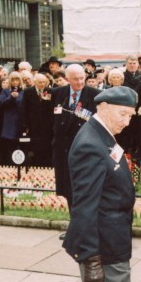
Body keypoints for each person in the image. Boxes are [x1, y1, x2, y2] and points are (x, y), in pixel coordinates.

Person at [63, 86, 138, 282]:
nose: (127, 122)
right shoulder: (91, 143)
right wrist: (91, 258)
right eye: (123, 114)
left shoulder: (101, 134)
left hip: (112, 237)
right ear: (103, 107)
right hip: (104, 246)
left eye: (130, 116)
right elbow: (84, 204)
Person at [51, 64, 101, 214]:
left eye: (82, 78)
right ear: (67, 79)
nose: (79, 82)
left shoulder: (95, 95)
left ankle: (84, 226)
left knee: (85, 189)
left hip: (84, 148)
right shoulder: (58, 93)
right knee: (68, 189)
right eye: (75, 79)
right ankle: (74, 226)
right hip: (63, 149)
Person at [20, 73, 54, 167]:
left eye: (44, 82)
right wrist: (25, 125)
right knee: (35, 146)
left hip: (47, 125)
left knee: (47, 146)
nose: (42, 84)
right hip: (33, 124)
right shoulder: (28, 92)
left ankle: (47, 165)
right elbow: (24, 109)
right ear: (35, 82)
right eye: (40, 82)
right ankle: (35, 165)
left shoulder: (50, 91)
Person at [0, 72, 24, 165]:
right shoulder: (5, 91)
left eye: (17, 79)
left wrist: (17, 98)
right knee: (10, 144)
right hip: (9, 121)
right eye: (13, 80)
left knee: (21, 143)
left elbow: (24, 105)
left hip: (20, 120)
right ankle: (10, 164)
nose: (15, 82)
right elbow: (2, 104)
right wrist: (11, 97)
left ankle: (21, 164)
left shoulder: (24, 91)